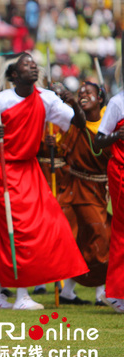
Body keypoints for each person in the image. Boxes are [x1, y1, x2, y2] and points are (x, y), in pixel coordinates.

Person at [0, 53, 89, 310]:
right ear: (14, 74)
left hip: (30, 168)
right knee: (19, 229)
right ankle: (22, 295)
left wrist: (74, 103)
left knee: (50, 223)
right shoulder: (0, 100)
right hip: (4, 169)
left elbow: (77, 123)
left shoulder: (47, 98)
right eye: (27, 65)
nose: (33, 67)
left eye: (34, 64)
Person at [57, 81, 111, 306]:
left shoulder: (109, 122)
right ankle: (102, 292)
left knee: (88, 239)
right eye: (80, 94)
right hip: (76, 187)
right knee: (99, 236)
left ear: (100, 98)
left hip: (101, 188)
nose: (83, 96)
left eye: (88, 93)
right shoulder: (74, 122)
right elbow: (62, 149)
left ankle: (70, 291)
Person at [94, 82, 124, 313]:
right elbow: (99, 140)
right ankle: (115, 293)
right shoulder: (117, 102)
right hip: (121, 172)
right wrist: (117, 135)